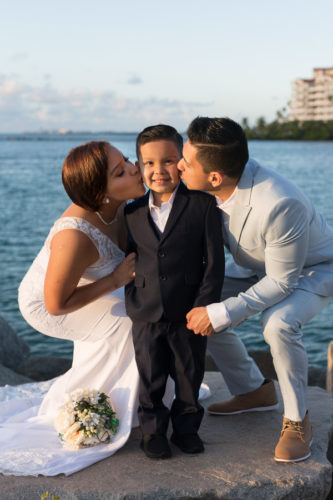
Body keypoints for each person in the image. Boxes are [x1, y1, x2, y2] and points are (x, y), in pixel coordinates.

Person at [178, 116, 333, 463]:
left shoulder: (280, 203)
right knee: (200, 304)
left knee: (277, 324)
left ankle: (297, 420)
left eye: (185, 163)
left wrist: (222, 313)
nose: (178, 166)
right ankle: (253, 390)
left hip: (311, 271)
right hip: (257, 265)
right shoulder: (212, 182)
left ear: (214, 177)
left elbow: (282, 281)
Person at [0, 141, 153, 476]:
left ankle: (140, 395)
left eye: (127, 160)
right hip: (46, 303)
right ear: (101, 195)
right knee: (128, 321)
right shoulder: (75, 234)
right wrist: (115, 280)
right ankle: (94, 407)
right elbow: (56, 304)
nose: (134, 168)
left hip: (84, 288)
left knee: (142, 306)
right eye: (120, 171)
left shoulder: (124, 206)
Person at [124, 125, 224, 459]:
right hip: (146, 310)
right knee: (150, 376)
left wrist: (205, 306)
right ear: (139, 166)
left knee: (189, 373)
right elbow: (126, 258)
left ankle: (186, 428)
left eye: (168, 161)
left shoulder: (202, 205)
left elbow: (214, 262)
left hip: (189, 311)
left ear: (181, 162)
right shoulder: (131, 211)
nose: (159, 170)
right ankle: (152, 433)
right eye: (149, 163)